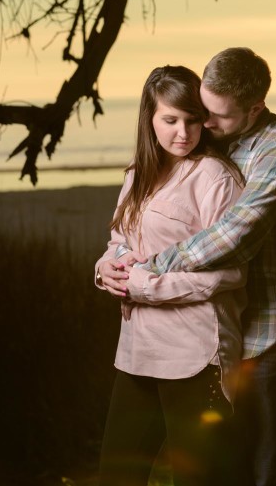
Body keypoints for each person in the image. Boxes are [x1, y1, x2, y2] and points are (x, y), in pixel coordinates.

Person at [102, 47, 276, 486]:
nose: (203, 125)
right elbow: (126, 233)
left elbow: (234, 234)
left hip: (269, 325)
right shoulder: (201, 142)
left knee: (268, 465)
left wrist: (147, 271)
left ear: (254, 108)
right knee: (232, 466)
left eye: (214, 117)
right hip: (222, 323)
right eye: (200, 110)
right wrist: (109, 264)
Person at [94, 65, 249, 486]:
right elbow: (120, 241)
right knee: (116, 476)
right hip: (137, 352)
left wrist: (144, 285)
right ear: (149, 119)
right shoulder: (137, 174)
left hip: (195, 355)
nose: (183, 132)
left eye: (192, 119)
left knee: (198, 480)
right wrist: (105, 268)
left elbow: (231, 273)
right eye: (170, 120)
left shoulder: (215, 177)